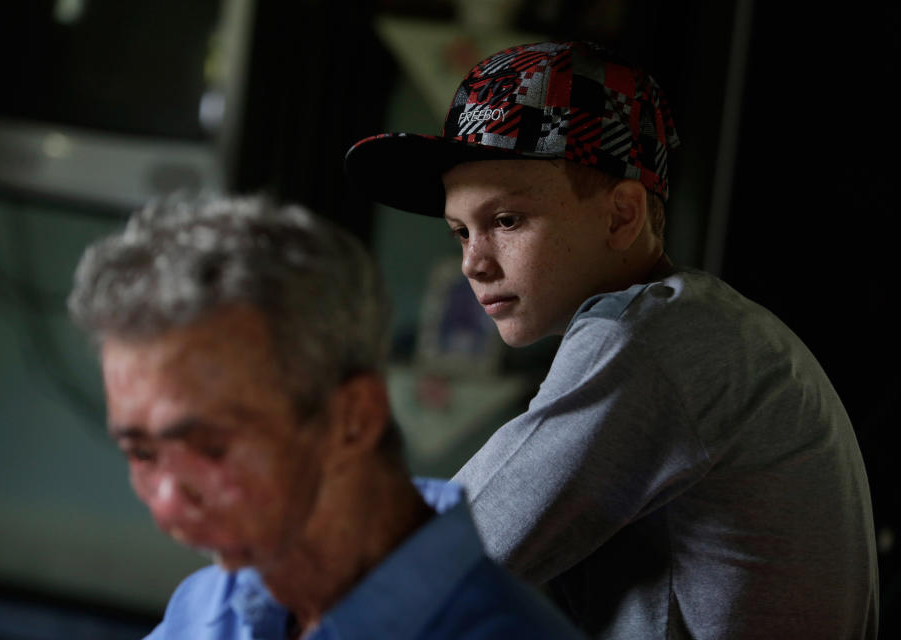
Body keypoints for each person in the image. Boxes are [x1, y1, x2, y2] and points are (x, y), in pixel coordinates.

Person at [344, 41, 879, 639]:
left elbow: (423, 570)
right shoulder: (706, 325)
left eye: (506, 221)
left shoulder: (650, 337)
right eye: (459, 231)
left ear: (622, 216)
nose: (474, 262)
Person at [67, 194, 583, 640]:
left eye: (211, 446)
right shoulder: (207, 609)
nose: (168, 503)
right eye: (141, 453)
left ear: (352, 419)